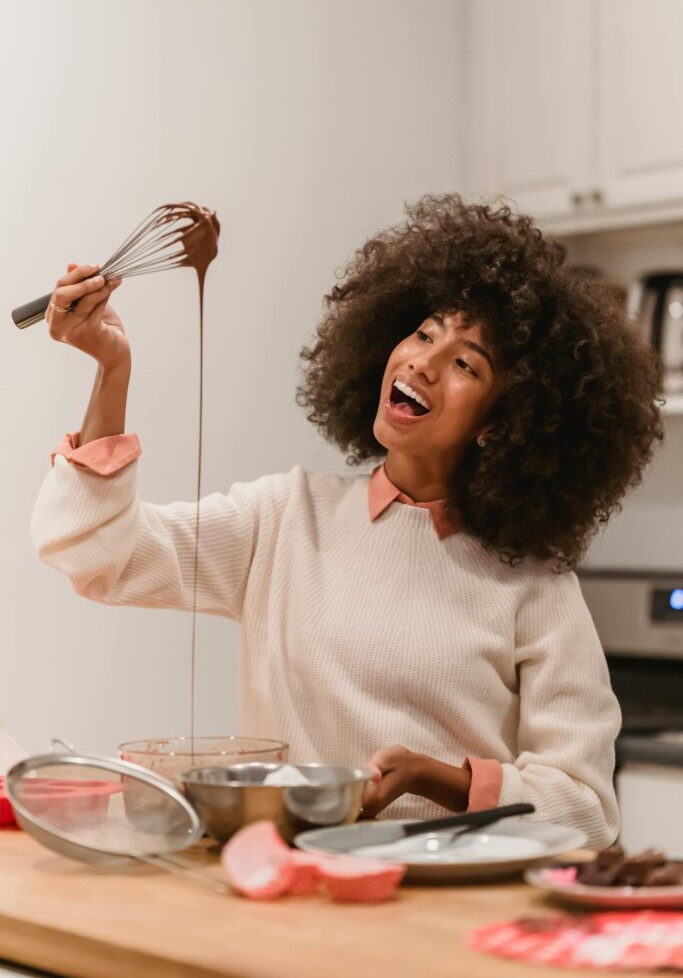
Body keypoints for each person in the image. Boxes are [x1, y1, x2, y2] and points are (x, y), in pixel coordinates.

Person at [31, 195, 663, 848]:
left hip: (449, 921)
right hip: (297, 894)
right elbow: (95, 551)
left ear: (501, 425)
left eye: (466, 363)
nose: (423, 362)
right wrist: (112, 367)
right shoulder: (283, 520)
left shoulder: (536, 588)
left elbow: (586, 811)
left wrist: (439, 779)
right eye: (423, 333)